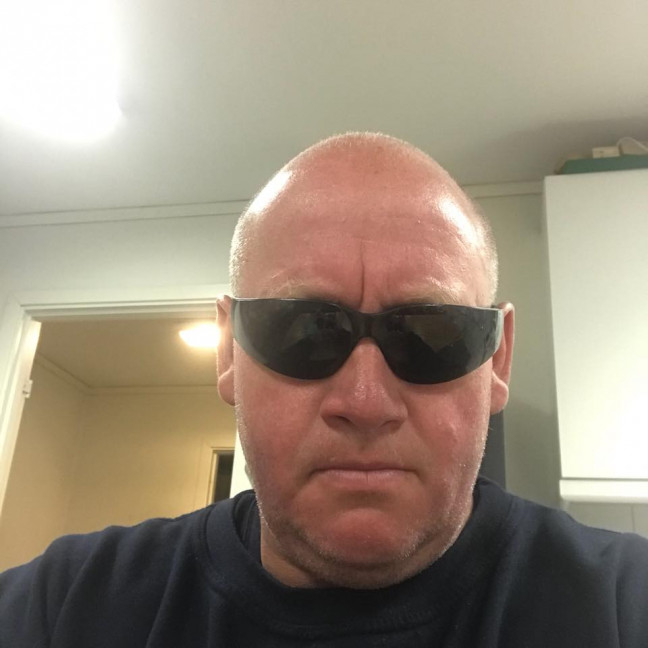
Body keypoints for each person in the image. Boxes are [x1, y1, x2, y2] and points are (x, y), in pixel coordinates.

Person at [1, 132, 647, 646]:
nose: (365, 404)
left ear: (498, 359)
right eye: (303, 331)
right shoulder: (64, 608)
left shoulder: (623, 606)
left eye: (432, 335)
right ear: (227, 351)